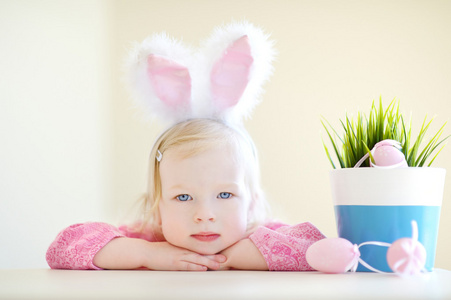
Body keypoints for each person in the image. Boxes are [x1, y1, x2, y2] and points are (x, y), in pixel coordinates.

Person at [46, 21, 325, 271]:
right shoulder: (149, 238)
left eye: (225, 195)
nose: (204, 215)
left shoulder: (258, 234)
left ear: (252, 204)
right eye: (183, 197)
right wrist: (147, 254)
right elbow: (62, 248)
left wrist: (240, 256)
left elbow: (316, 247)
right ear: (156, 209)